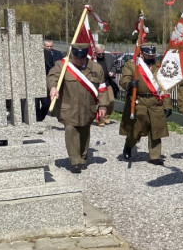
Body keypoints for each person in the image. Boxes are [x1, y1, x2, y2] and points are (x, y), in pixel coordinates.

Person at [47, 44, 113, 172]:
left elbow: (102, 89)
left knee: (84, 131)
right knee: (71, 130)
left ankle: (82, 158)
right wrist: (53, 87)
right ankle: (75, 161)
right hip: (69, 107)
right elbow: (52, 77)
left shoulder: (95, 67)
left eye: (82, 58)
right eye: (76, 57)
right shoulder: (62, 65)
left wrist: (103, 105)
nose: (79, 60)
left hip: (88, 107)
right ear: (72, 55)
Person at [119, 45, 171, 164]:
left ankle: (155, 156)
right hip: (139, 101)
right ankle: (129, 145)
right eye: (148, 54)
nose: (151, 57)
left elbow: (165, 87)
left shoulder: (160, 67)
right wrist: (129, 84)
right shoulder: (132, 65)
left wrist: (167, 104)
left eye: (152, 54)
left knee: (156, 129)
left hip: (155, 101)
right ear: (142, 53)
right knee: (136, 130)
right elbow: (123, 80)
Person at [94, 44, 117, 125]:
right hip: (97, 84)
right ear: (95, 52)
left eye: (102, 53)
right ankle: (100, 118)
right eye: (99, 54)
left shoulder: (109, 57)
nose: (101, 55)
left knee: (111, 100)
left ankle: (106, 115)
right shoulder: (92, 60)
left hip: (107, 82)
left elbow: (114, 66)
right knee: (100, 102)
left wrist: (112, 72)